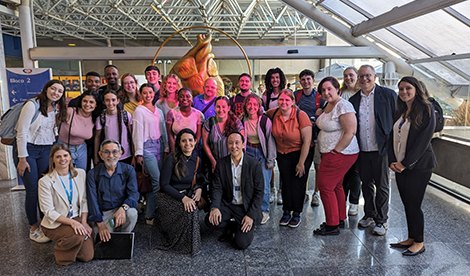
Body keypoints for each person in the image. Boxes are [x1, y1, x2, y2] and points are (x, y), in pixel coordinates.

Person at [13, 80, 67, 243]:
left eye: (60, 91)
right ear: (46, 89)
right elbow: (21, 132)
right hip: (28, 150)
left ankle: (46, 223)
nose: (56, 93)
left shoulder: (55, 107)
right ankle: (33, 228)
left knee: (46, 187)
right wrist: (22, 159)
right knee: (32, 190)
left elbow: (50, 130)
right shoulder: (32, 105)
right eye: (53, 89)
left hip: (46, 150)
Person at [388, 76, 437, 256]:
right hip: (400, 165)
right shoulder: (400, 110)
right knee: (407, 203)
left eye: (408, 88)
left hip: (419, 166)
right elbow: (391, 136)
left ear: (417, 89)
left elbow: (423, 142)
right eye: (401, 89)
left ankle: (419, 242)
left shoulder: (426, 109)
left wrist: (405, 164)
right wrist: (392, 161)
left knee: (414, 204)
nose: (404, 92)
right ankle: (411, 237)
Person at [349, 65, 397, 236]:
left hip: (381, 149)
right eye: (361, 76)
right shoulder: (354, 100)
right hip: (362, 149)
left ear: (375, 76)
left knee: (382, 185)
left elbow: (398, 120)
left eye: (367, 75)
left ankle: (382, 220)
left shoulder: (388, 95)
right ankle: (369, 214)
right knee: (366, 184)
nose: (364, 79)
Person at [313, 77, 359, 235]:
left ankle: (332, 225)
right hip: (332, 152)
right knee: (336, 186)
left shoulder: (344, 105)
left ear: (337, 89)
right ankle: (340, 218)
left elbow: (351, 131)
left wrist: (335, 150)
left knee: (325, 186)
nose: (326, 93)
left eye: (329, 89)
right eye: (323, 91)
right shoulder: (328, 105)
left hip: (340, 153)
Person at [205, 132, 264, 249]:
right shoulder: (221, 164)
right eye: (230, 143)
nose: (234, 146)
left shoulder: (254, 164)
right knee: (210, 220)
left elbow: (259, 192)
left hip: (245, 207)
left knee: (241, 244)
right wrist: (215, 207)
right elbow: (217, 188)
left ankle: (248, 227)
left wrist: (250, 215)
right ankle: (231, 228)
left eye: (237, 143)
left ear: (243, 144)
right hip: (228, 204)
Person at [38, 144, 93, 265]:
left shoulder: (80, 173)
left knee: (87, 256)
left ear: (70, 157)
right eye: (58, 156)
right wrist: (73, 223)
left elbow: (84, 200)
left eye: (65, 155)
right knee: (77, 235)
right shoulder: (45, 181)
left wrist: (83, 222)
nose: (62, 159)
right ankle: (62, 254)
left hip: (76, 217)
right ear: (52, 159)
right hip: (55, 223)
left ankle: (73, 244)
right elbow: (48, 212)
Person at [266, 89, 312, 228]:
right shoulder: (273, 113)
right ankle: (286, 211)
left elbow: (307, 141)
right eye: (281, 99)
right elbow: (258, 115)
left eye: (287, 100)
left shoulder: (301, 115)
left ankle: (296, 213)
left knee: (297, 183)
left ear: (292, 102)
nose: (283, 102)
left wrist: (301, 163)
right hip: (283, 153)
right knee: (285, 183)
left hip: (301, 153)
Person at [154, 129, 203, 255]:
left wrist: (199, 188)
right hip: (168, 196)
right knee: (188, 210)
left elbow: (200, 179)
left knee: (191, 210)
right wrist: (183, 198)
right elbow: (164, 185)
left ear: (195, 141)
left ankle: (191, 246)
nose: (188, 143)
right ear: (179, 143)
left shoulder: (197, 160)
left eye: (190, 140)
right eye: (184, 140)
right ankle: (178, 244)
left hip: (186, 195)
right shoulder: (171, 158)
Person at [87, 139, 139, 241]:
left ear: (120, 153)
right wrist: (100, 224)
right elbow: (92, 201)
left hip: (121, 208)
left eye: (115, 152)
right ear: (100, 155)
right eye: (106, 152)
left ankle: (124, 237)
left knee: (132, 214)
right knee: (103, 239)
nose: (111, 156)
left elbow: (134, 194)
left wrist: (123, 209)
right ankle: (109, 227)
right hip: (104, 213)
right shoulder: (93, 174)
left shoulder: (128, 170)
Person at [133, 83, 169, 225]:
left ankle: (152, 210)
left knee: (155, 182)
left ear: (154, 94)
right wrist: (138, 154)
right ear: (141, 94)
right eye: (145, 93)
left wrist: (166, 146)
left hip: (159, 146)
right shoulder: (139, 111)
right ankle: (149, 215)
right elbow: (137, 133)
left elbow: (163, 129)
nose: (148, 95)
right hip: (146, 148)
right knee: (156, 180)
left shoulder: (158, 110)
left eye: (150, 92)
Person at [241, 94, 276, 224]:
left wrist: (270, 160)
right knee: (250, 182)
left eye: (255, 104)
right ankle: (251, 209)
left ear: (259, 106)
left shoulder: (264, 121)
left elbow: (270, 141)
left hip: (262, 152)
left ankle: (264, 210)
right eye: (249, 104)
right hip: (248, 152)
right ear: (245, 105)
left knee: (264, 184)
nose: (252, 107)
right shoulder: (243, 120)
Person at [293, 69, 326, 207]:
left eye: (308, 79)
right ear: (300, 81)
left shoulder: (320, 96)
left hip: (318, 135)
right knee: (303, 164)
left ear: (313, 80)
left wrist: (321, 113)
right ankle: (304, 192)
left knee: (318, 165)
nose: (306, 82)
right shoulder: (296, 95)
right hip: (301, 136)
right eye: (303, 79)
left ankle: (316, 193)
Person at [58, 90, 101, 170]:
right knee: (64, 175)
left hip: (81, 149)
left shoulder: (95, 118)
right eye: (85, 101)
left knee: (81, 175)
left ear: (96, 105)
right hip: (64, 147)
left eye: (91, 102)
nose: (87, 104)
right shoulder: (70, 111)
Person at [202, 96, 245, 174]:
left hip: (233, 164)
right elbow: (205, 144)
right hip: (215, 163)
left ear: (228, 108)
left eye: (223, 107)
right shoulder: (209, 123)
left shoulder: (236, 122)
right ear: (214, 108)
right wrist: (213, 162)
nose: (221, 110)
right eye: (218, 107)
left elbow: (242, 143)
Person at [339, 67, 361, 216]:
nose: (348, 78)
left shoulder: (361, 94)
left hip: (357, 138)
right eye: (345, 76)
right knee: (343, 173)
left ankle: (354, 202)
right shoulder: (340, 94)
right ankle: (343, 200)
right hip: (341, 138)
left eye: (351, 75)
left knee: (355, 172)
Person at [262, 68, 286, 204]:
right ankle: (272, 189)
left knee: (282, 163)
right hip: (270, 131)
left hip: (284, 131)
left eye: (277, 77)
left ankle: (281, 191)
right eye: (272, 78)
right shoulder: (266, 95)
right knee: (270, 161)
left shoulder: (286, 93)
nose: (275, 80)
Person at [94, 90, 133, 165]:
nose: (110, 103)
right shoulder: (101, 118)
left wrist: (134, 155)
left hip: (125, 155)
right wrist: (96, 155)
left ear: (118, 101)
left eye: (113, 100)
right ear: (103, 102)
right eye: (107, 100)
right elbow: (97, 138)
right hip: (107, 156)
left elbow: (132, 136)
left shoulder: (126, 115)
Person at [166, 87, 204, 152]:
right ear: (178, 98)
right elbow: (169, 135)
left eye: (188, 96)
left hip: (192, 149)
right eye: (181, 96)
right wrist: (173, 150)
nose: (184, 98)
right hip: (176, 148)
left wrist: (189, 150)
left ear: (192, 98)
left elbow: (198, 137)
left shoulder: (198, 114)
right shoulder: (172, 113)